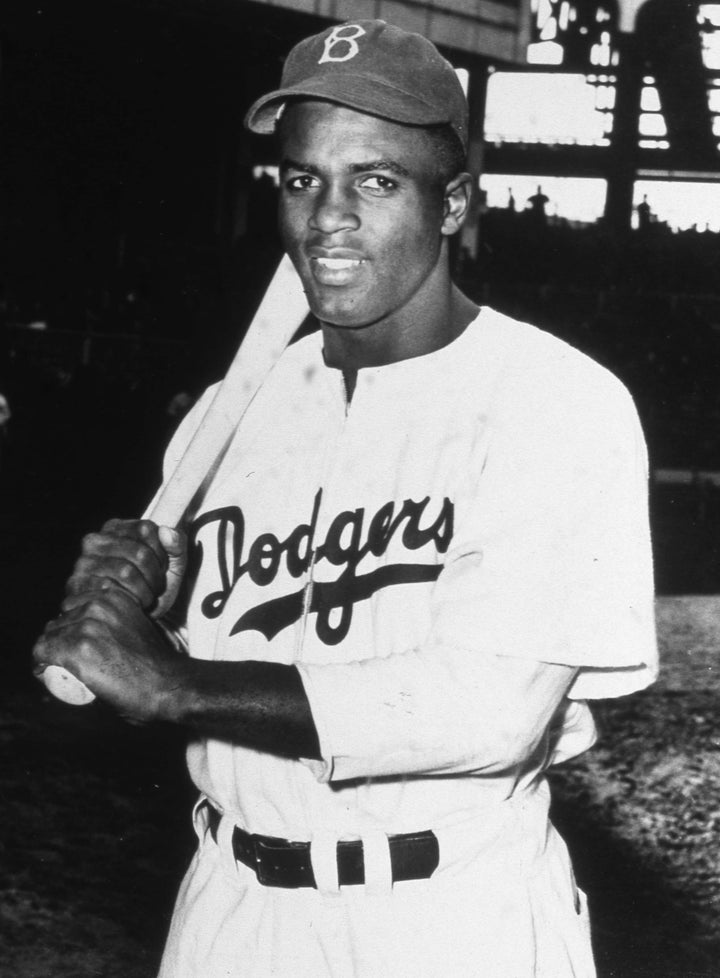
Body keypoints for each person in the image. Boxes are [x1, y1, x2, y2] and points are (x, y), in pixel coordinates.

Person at [33, 20, 658, 978]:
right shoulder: (230, 416)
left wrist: (177, 683)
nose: (328, 217)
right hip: (229, 908)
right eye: (301, 179)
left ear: (453, 204)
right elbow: (209, 682)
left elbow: (488, 712)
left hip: (449, 918)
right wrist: (147, 621)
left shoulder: (556, 402)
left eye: (375, 180)